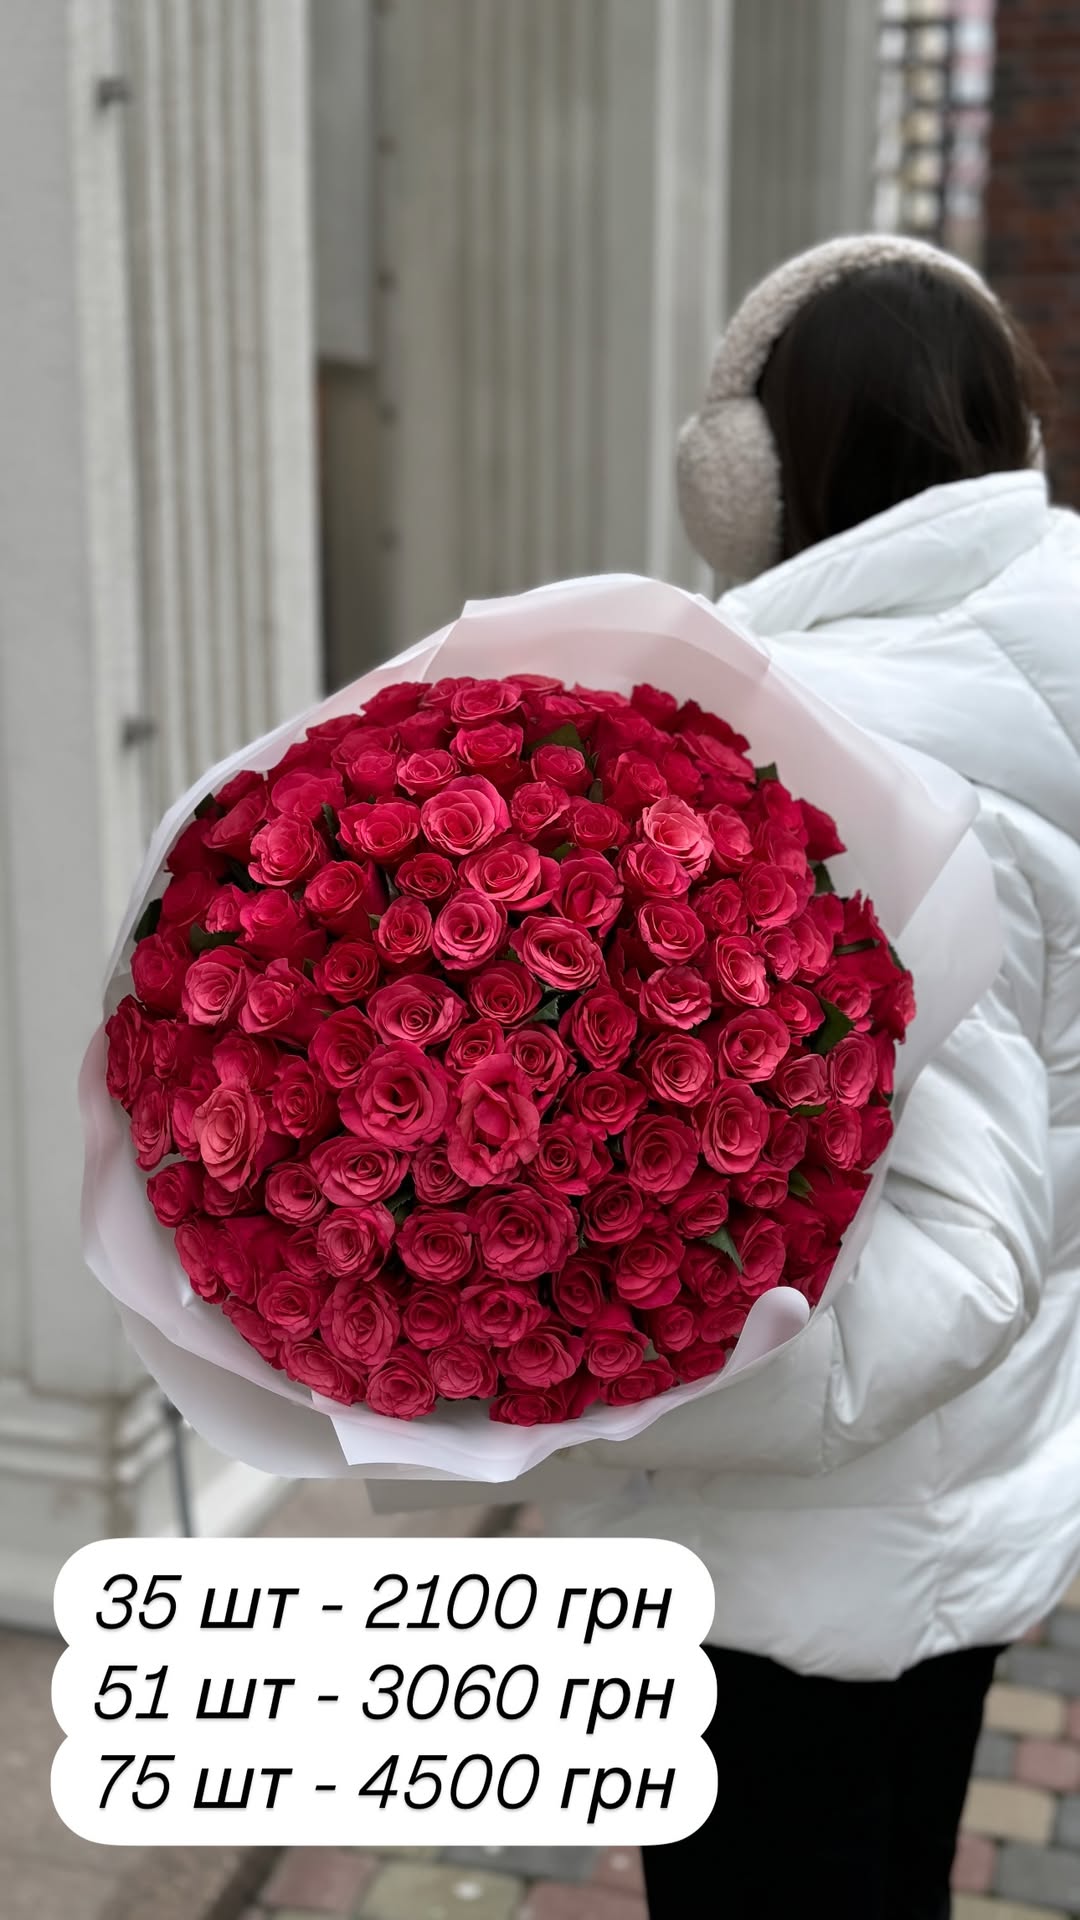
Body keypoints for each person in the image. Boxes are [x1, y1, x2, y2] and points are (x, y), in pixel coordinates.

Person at [552, 235, 1080, 1918]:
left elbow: (957, 1251)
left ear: (746, 474)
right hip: (989, 1478)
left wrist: (579, 1383)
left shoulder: (814, 732)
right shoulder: (1048, 655)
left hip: (782, 1547)